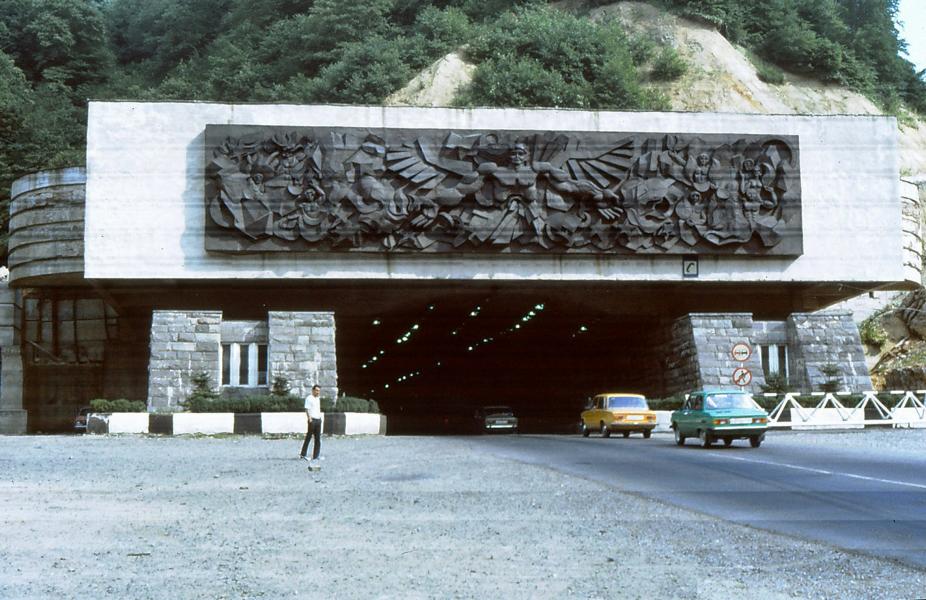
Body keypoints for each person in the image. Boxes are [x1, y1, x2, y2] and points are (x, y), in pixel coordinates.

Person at [300, 384, 322, 466]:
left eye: (319, 391)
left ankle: (316, 455)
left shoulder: (318, 399)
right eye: (316, 390)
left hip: (318, 419)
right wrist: (309, 418)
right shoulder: (309, 398)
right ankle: (303, 454)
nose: (317, 392)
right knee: (308, 437)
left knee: (318, 438)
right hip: (312, 419)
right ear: (313, 390)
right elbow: (307, 409)